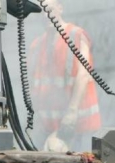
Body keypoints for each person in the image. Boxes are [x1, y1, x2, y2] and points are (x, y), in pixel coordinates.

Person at [30, 0, 100, 152]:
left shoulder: (76, 36)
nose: (44, 14)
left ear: (60, 8)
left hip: (79, 127)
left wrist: (72, 112)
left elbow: (83, 75)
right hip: (49, 130)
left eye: (48, 8)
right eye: (40, 10)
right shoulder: (37, 45)